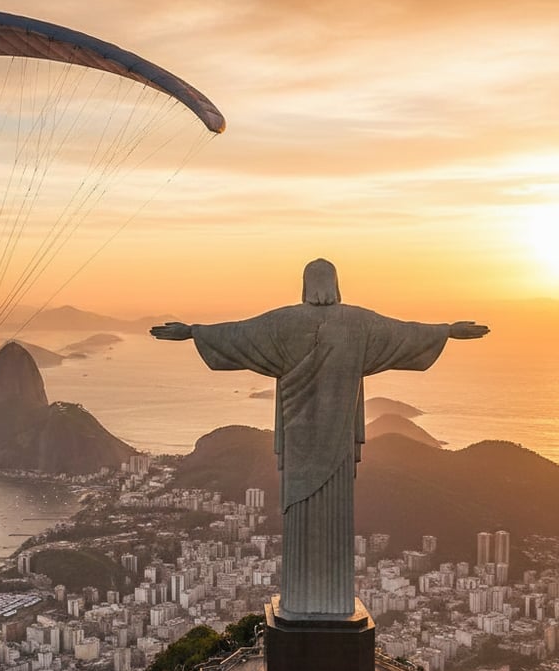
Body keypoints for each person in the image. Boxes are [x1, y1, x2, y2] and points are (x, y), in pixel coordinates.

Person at [151, 258, 488, 616]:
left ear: (304, 285)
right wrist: (446, 331)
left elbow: (238, 334)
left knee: (301, 517)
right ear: (336, 284)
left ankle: (302, 600)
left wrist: (192, 332)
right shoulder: (359, 324)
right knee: (336, 515)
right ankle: (332, 602)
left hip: (298, 444)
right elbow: (404, 333)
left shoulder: (282, 323)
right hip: (339, 442)